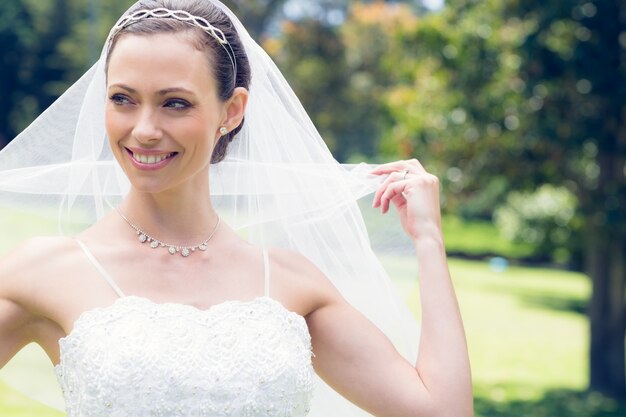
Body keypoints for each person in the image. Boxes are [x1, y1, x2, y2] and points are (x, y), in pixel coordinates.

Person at [0, 0, 472, 416]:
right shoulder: (43, 272)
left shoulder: (292, 282)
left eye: (175, 103)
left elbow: (442, 412)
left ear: (232, 111)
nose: (143, 129)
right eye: (123, 99)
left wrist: (429, 240)